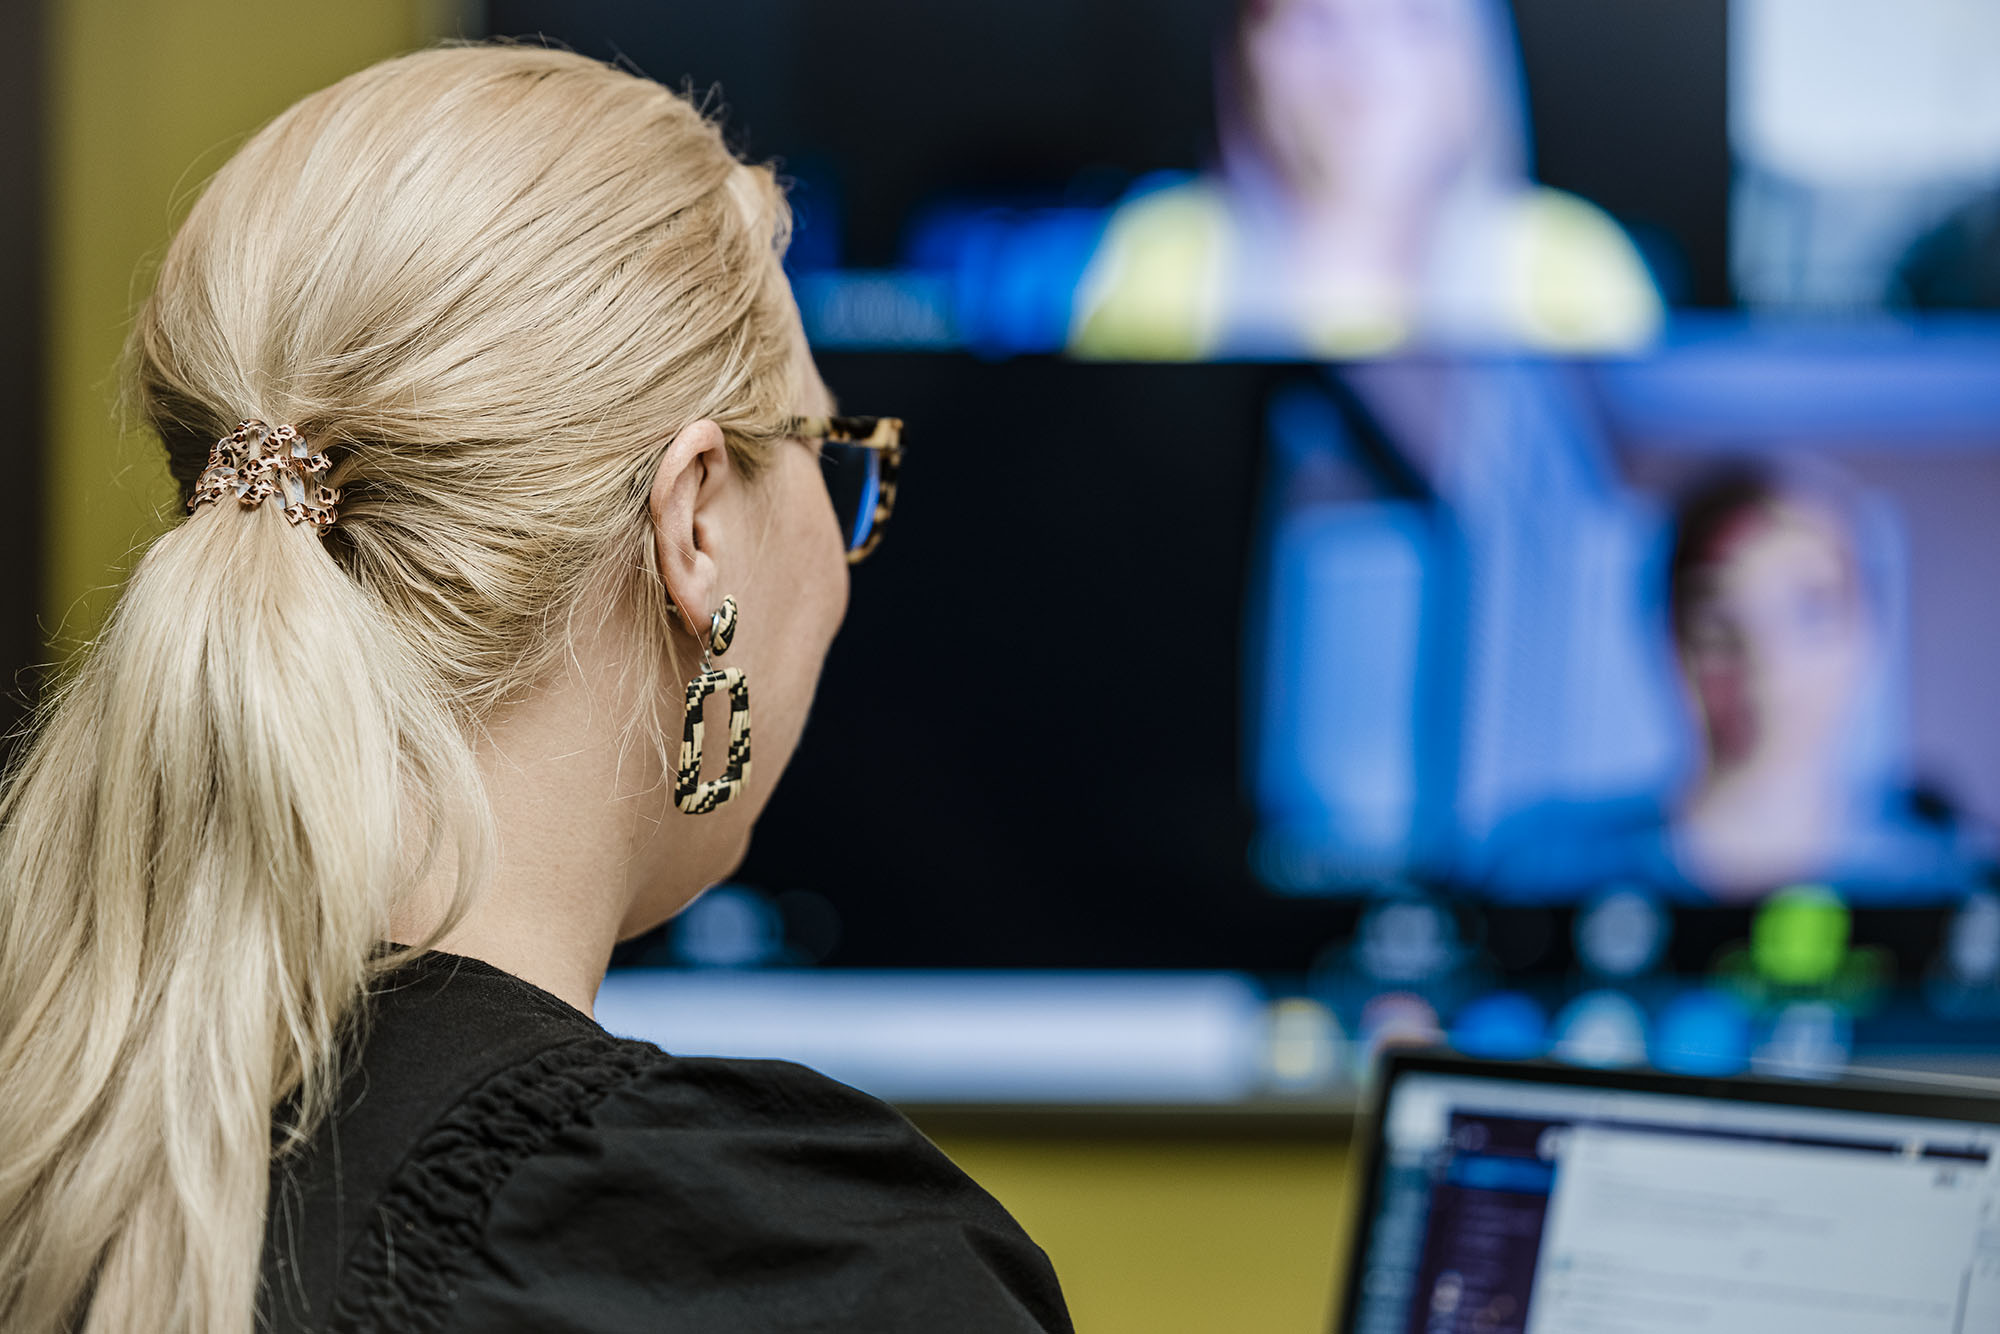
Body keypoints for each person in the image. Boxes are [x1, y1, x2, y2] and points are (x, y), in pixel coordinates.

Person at [0, 46, 1070, 1334]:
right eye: (829, 459)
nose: (840, 566)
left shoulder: (55, 1141)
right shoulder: (779, 1273)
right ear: (695, 528)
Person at [1483, 461, 1979, 903]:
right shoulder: (1540, 877)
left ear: (1867, 635)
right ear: (1671, 636)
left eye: (1809, 613)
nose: (1764, 664)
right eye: (1717, 622)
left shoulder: (1942, 890)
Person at [1069, 0, 1663, 360]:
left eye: (1412, 18)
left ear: (1474, 54)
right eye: (1316, 23)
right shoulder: (1156, 257)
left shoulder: (1577, 269)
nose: (1364, 71)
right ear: (1246, 55)